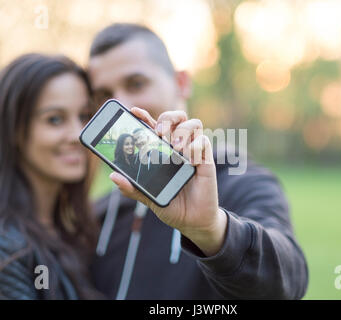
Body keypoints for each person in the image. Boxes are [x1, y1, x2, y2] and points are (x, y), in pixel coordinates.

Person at [88, 23, 308, 299]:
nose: (120, 103)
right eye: (104, 95)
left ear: (181, 82)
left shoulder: (241, 180)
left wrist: (211, 231)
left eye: (136, 83)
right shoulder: (98, 213)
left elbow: (287, 281)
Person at [0, 53, 101, 299]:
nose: (78, 134)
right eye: (55, 119)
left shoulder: (76, 233)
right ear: (14, 131)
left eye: (84, 117)